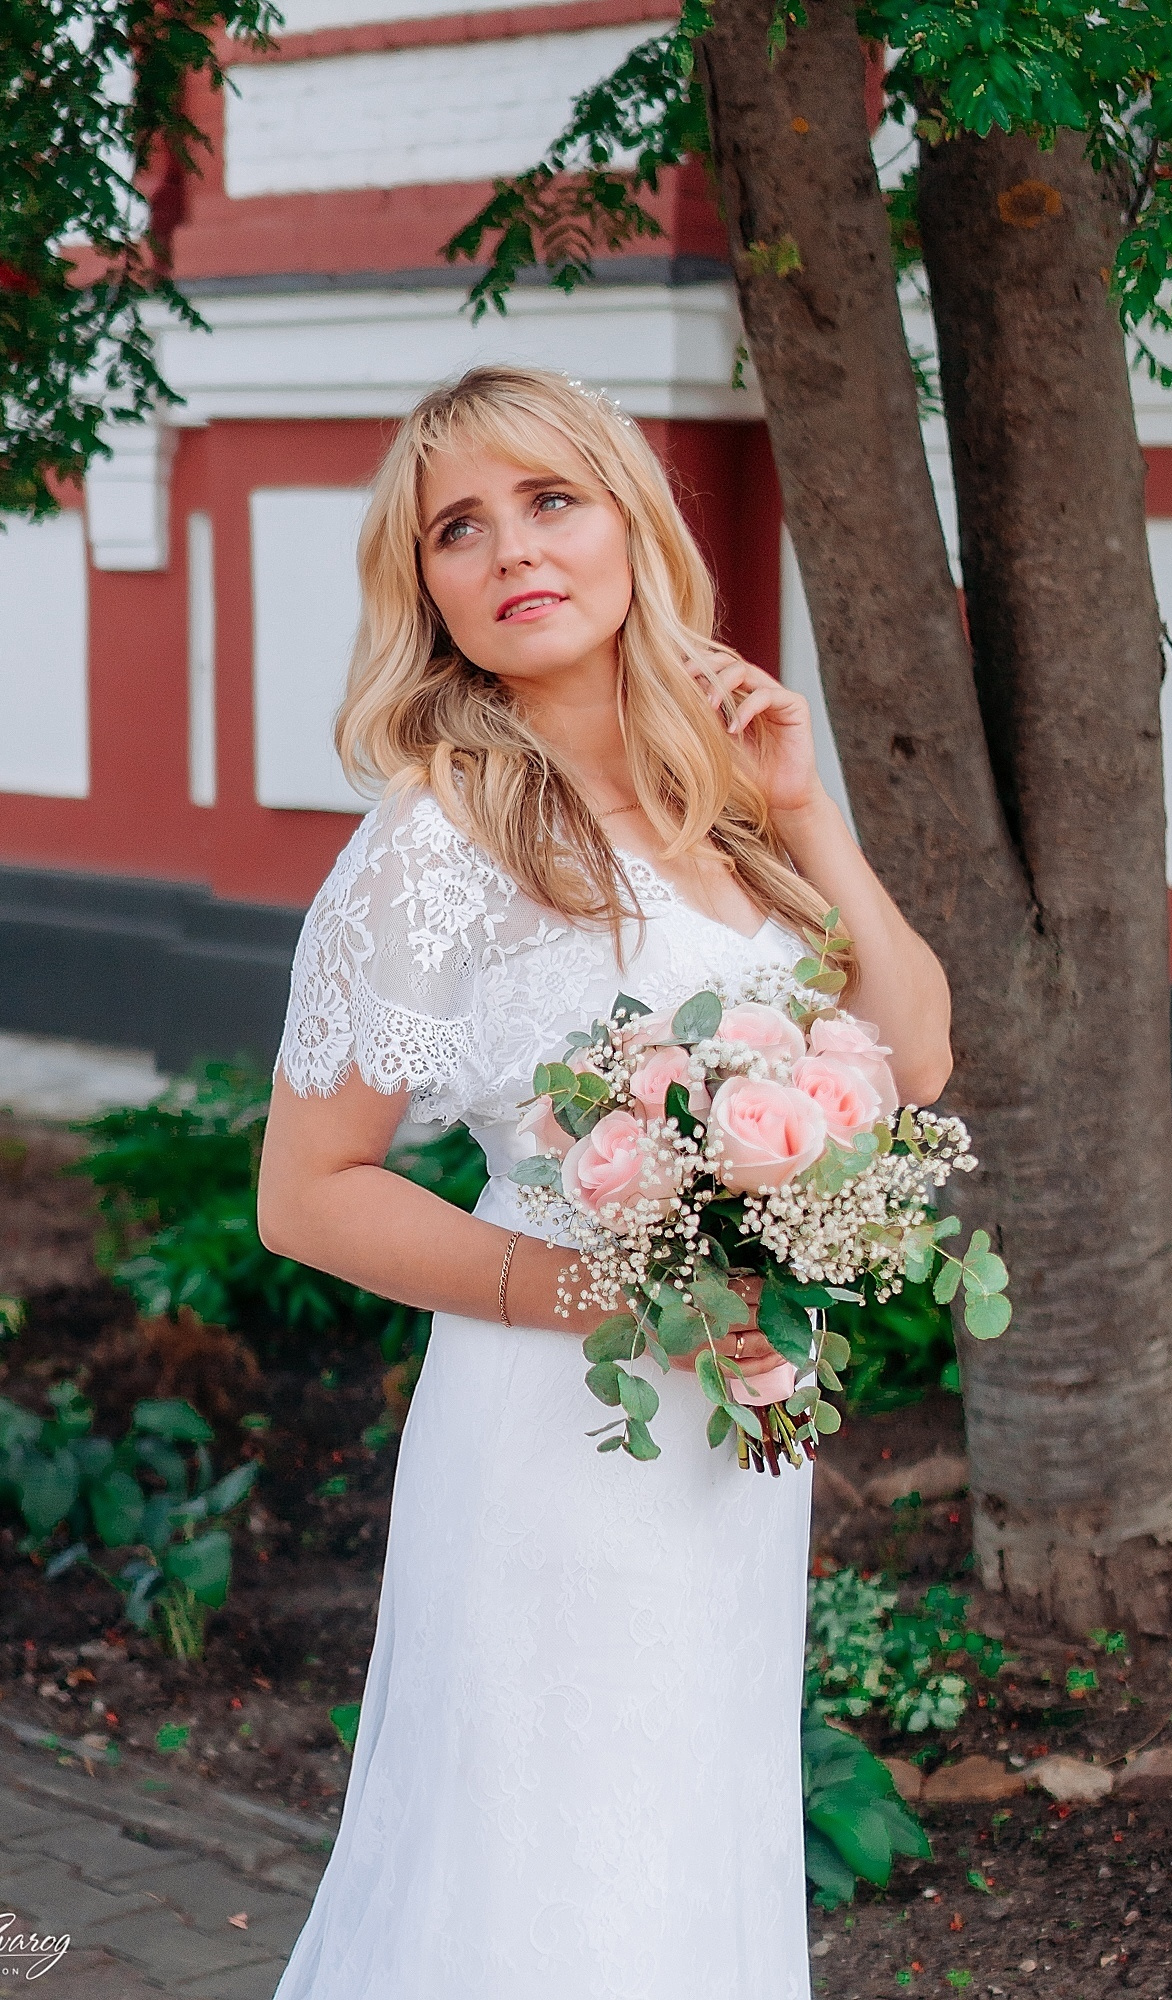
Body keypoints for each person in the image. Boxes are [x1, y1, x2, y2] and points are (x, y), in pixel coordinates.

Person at [258, 364, 952, 1998]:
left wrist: (811, 815)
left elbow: (917, 1060)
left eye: (548, 500)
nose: (511, 548)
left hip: (730, 1448)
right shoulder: (435, 846)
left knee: (680, 1857)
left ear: (630, 522)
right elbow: (308, 1193)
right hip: (556, 1439)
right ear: (422, 590)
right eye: (458, 529)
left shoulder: (733, 800)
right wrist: (619, 1292)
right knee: (543, 1876)